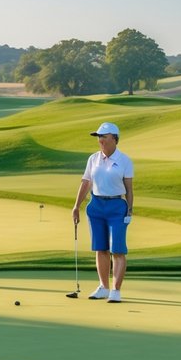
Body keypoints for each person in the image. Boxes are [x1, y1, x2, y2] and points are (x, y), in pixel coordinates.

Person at [71, 122, 133, 302]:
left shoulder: (124, 161)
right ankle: (103, 287)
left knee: (118, 250)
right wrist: (76, 206)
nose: (100, 140)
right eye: (99, 137)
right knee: (100, 248)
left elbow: (129, 189)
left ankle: (116, 291)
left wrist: (129, 211)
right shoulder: (93, 159)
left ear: (114, 138)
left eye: (104, 137)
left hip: (116, 207)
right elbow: (86, 183)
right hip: (96, 206)